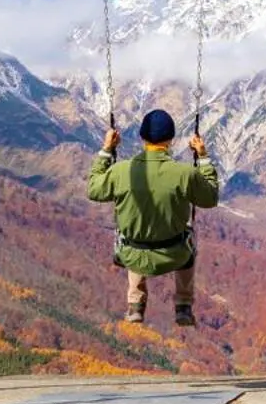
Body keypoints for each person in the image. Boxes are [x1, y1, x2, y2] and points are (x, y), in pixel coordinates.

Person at [87, 108, 219, 326]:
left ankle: (135, 305)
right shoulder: (184, 173)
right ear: (170, 140)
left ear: (141, 138)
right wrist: (202, 157)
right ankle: (183, 306)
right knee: (189, 238)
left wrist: (107, 150)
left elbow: (94, 190)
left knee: (135, 233)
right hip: (175, 255)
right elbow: (210, 198)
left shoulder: (121, 171)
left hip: (131, 254)